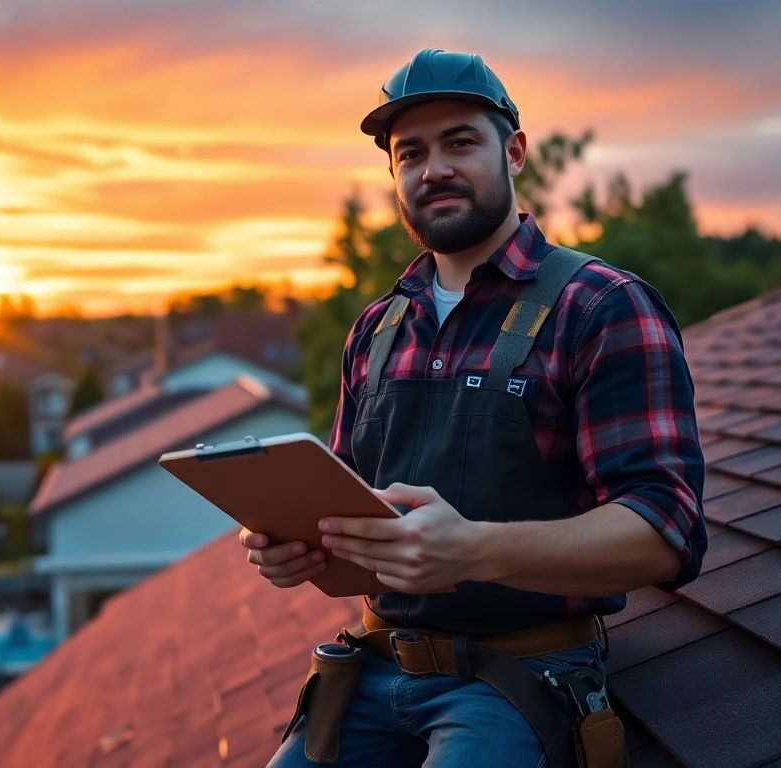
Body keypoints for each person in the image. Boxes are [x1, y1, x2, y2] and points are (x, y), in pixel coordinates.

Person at [244, 48, 707, 767]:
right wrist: (296, 544)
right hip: (369, 668)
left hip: (519, 676)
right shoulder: (376, 328)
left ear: (514, 151)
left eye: (460, 141)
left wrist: (475, 550)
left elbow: (665, 533)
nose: (434, 169)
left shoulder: (602, 307)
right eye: (411, 153)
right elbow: (349, 501)